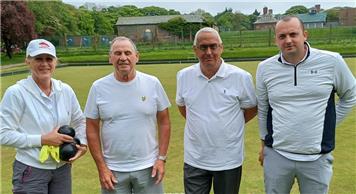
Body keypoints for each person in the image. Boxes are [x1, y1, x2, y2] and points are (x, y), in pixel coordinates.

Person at [256, 16, 356, 194]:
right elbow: (263, 108)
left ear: (305, 35)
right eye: (282, 36)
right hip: (277, 155)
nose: (288, 40)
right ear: (276, 40)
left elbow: (350, 95)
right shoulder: (265, 68)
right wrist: (264, 143)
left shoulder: (332, 61)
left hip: (316, 158)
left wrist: (330, 123)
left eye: (293, 34)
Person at [176, 27, 257, 194]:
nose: (208, 52)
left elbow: (251, 108)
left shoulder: (241, 77)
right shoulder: (183, 76)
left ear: (221, 47)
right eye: (203, 47)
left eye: (213, 46)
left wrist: (229, 125)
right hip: (195, 159)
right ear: (195, 49)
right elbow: (184, 108)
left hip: (228, 159)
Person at [84, 36, 171, 194]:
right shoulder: (98, 87)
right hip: (113, 171)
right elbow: (91, 128)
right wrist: (102, 167)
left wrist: (161, 158)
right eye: (117, 53)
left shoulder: (153, 83)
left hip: (149, 168)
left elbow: (164, 121)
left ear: (136, 56)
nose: (123, 58)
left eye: (127, 53)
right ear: (110, 58)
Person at [0, 39, 87, 194]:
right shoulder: (16, 93)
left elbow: (80, 120)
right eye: (38, 59)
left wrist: (83, 144)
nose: (44, 64)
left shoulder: (65, 90)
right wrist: (42, 139)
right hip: (31, 169)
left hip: (62, 168)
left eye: (49, 59)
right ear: (27, 61)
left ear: (55, 61)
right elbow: (3, 134)